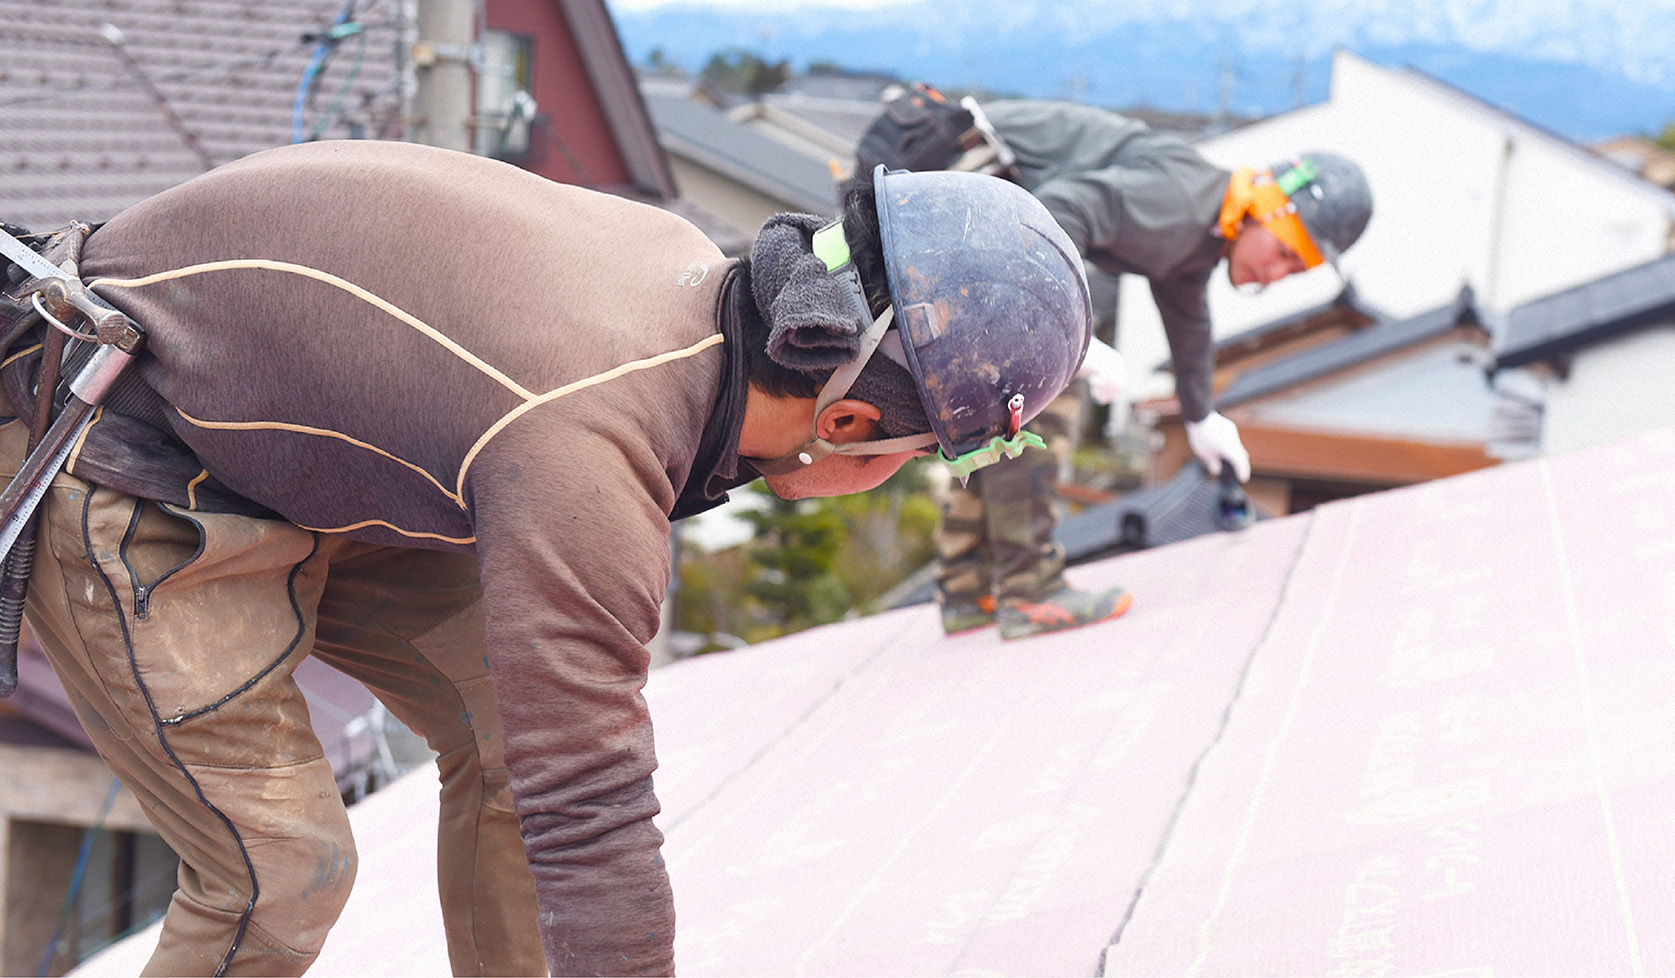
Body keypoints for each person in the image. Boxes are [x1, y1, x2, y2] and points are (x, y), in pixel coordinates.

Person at [0, 140, 1092, 976]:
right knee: (278, 877)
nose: (905, 475)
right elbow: (595, 807)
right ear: (847, 424)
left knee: (517, 753)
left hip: (307, 440)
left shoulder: (691, 282)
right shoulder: (591, 440)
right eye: (920, 456)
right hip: (134, 446)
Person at [853, 88, 1373, 640]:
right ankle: (1028, 590)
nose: (1277, 273)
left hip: (945, 208)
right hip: (936, 199)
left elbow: (1188, 316)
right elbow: (1062, 210)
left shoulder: (1200, 231)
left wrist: (1200, 418)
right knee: (1040, 396)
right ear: (1266, 207)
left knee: (1004, 401)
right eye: (1287, 251)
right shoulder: (1182, 202)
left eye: (1297, 270)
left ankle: (967, 586)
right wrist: (1073, 342)